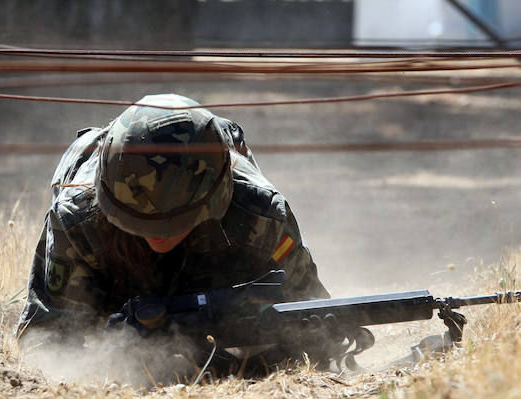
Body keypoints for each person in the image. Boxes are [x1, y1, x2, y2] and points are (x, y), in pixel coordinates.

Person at [17, 93, 329, 357]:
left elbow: (316, 312)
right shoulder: (77, 220)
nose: (160, 234)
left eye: (175, 221)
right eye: (143, 222)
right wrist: (117, 362)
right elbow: (46, 341)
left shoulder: (261, 216)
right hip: (104, 208)